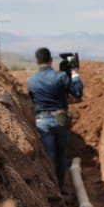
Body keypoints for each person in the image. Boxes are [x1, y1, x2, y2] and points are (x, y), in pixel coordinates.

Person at [26, 47, 82, 190]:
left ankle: (51, 189)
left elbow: (32, 100)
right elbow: (77, 92)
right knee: (61, 155)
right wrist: (74, 73)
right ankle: (61, 187)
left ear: (36, 61)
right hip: (60, 119)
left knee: (48, 156)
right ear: (51, 60)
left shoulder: (31, 80)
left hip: (41, 121)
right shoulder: (61, 77)